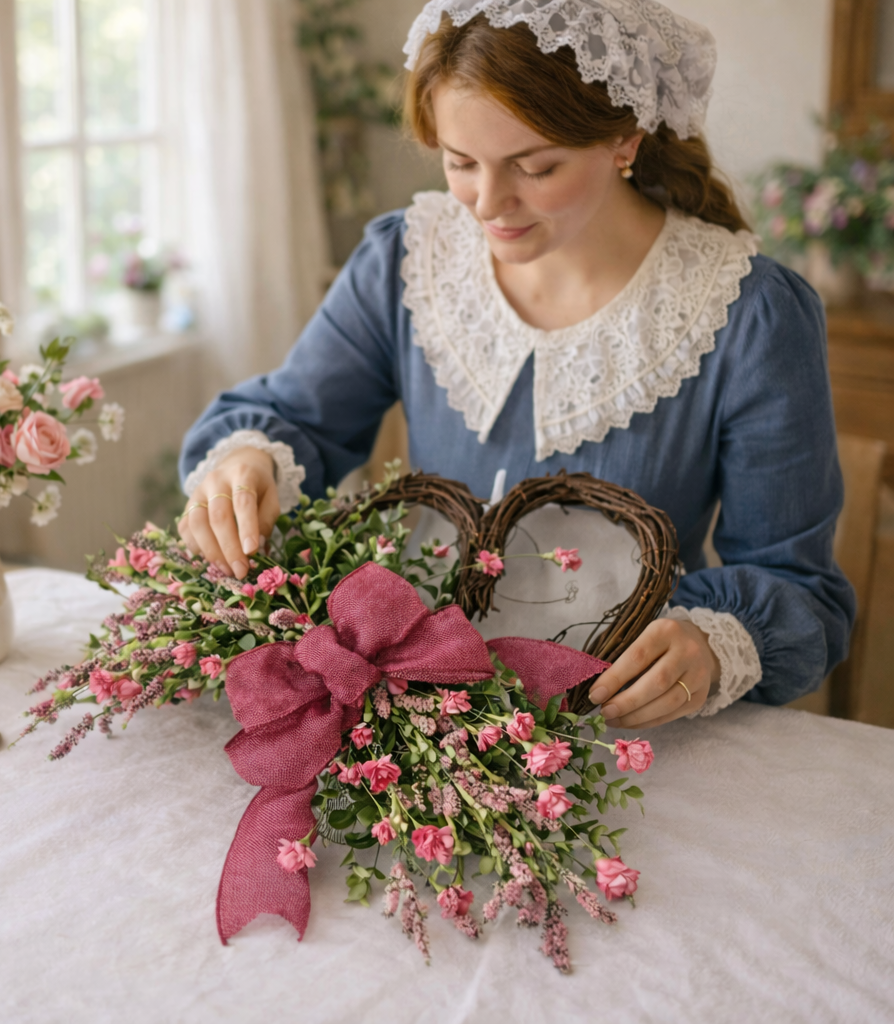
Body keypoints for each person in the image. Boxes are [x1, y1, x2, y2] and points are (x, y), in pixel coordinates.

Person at [177, 0, 854, 730]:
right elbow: (297, 418)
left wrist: (714, 645)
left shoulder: (751, 313)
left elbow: (797, 586)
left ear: (626, 138)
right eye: (460, 162)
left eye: (535, 167)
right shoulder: (407, 259)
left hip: (625, 738)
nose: (488, 204)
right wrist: (246, 464)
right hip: (411, 728)